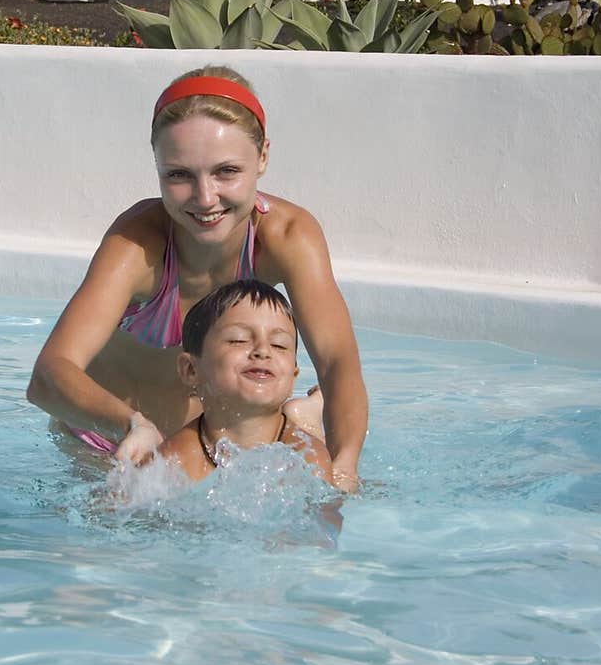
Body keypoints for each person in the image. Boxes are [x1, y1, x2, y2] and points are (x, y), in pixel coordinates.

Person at [27, 64, 368, 489]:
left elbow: (337, 363)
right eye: (179, 175)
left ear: (262, 157)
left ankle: (290, 419)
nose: (205, 198)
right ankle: (294, 418)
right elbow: (47, 377)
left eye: (226, 171)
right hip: (115, 442)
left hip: (217, 443)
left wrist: (346, 462)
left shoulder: (288, 237)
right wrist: (131, 424)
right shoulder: (137, 246)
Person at [156, 279, 334, 485]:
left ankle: (305, 416)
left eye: (279, 345)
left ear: (293, 376)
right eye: (238, 340)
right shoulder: (175, 461)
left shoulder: (308, 456)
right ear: (191, 369)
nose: (263, 351)